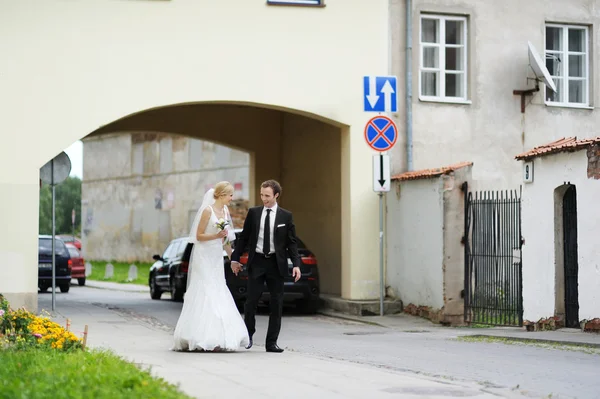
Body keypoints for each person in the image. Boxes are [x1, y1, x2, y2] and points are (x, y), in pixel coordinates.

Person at [172, 181, 249, 352]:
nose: (232, 198)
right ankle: (198, 335)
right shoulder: (207, 210)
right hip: (204, 255)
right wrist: (216, 235)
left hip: (215, 258)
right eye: (230, 195)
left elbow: (226, 239)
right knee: (205, 289)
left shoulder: (226, 211)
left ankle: (219, 336)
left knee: (218, 288)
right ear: (222, 195)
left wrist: (233, 259)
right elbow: (198, 236)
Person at [231, 179, 301, 353]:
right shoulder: (254, 213)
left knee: (276, 304)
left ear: (276, 195)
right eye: (262, 195)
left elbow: (291, 243)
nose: (264, 199)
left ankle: (271, 343)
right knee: (251, 302)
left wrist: (296, 264)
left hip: (276, 264)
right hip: (258, 262)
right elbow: (244, 238)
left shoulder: (286, 216)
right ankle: (248, 336)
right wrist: (235, 258)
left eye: (267, 196)